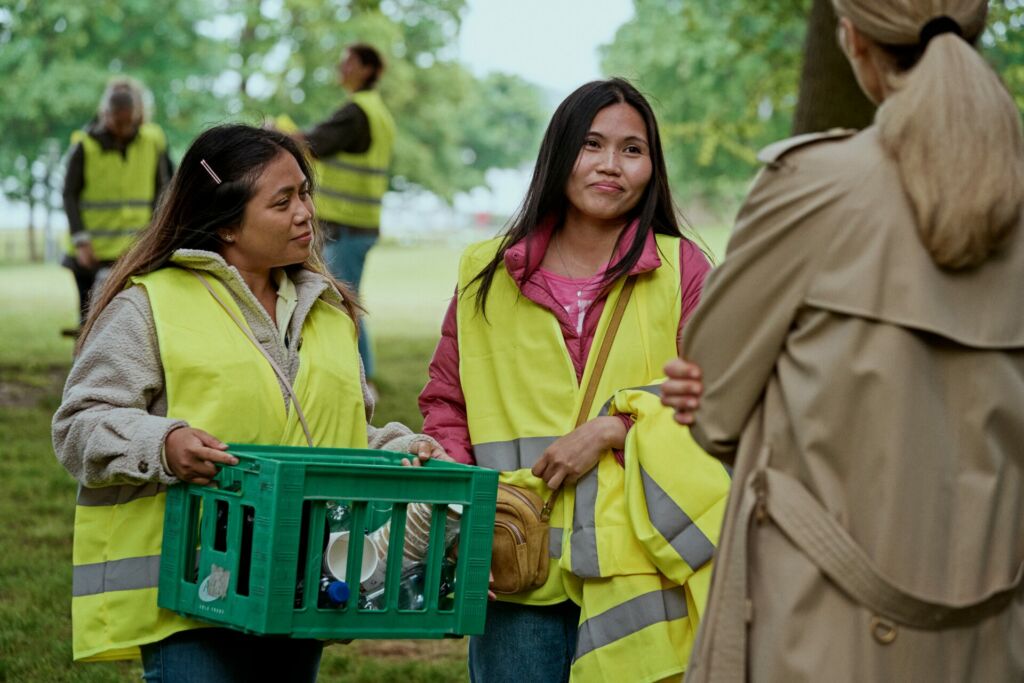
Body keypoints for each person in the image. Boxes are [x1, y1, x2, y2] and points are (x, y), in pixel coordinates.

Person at [662, 2, 1024, 680]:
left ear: (852, 37)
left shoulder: (815, 186)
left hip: (820, 631)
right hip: (995, 635)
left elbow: (713, 406)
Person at [52, 124, 443, 682]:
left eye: (304, 193)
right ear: (226, 223)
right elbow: (79, 423)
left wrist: (404, 449)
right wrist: (163, 444)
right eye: (282, 202)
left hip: (299, 590)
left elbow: (342, 431)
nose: (306, 213)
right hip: (189, 597)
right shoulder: (149, 306)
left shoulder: (330, 313)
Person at [420, 79, 728, 683]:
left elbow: (722, 398)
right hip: (514, 557)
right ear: (559, 152)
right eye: (592, 144)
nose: (611, 164)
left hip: (638, 565)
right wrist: (460, 513)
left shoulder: (682, 269)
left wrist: (617, 428)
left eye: (632, 149)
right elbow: (447, 402)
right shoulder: (485, 271)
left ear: (652, 167)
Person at [296, 42, 396, 389]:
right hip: (358, 225)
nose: (341, 67)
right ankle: (359, 375)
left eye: (349, 62)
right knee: (344, 300)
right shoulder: (377, 112)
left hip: (347, 228)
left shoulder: (357, 113)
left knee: (342, 303)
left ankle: (361, 380)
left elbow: (312, 142)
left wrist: (277, 133)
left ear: (367, 69)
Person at [61, 77, 174, 335]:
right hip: (92, 253)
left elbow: (164, 189)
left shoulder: (152, 141)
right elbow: (69, 194)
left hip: (136, 249)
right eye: (117, 122)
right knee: (89, 322)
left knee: (133, 320)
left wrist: (157, 236)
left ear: (136, 114)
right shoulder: (85, 144)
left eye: (128, 122)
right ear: (106, 114)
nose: (123, 129)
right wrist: (81, 241)